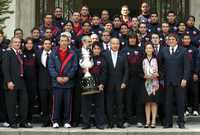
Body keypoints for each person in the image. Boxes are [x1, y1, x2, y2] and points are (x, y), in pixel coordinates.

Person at [160, 34, 190, 128]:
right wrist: (161, 78)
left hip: (180, 81)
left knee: (180, 103)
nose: (171, 41)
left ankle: (181, 122)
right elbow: (161, 65)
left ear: (177, 41)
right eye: (169, 39)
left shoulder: (183, 51)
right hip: (168, 81)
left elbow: (187, 67)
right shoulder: (163, 50)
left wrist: (185, 78)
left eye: (173, 39)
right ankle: (168, 123)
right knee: (168, 103)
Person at [48, 34, 78, 128]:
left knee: (68, 104)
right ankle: (55, 121)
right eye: (62, 40)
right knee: (56, 104)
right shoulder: (53, 53)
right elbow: (51, 66)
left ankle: (67, 121)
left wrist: (68, 77)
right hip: (57, 83)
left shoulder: (73, 53)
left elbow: (74, 67)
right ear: (59, 42)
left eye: (66, 40)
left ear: (69, 42)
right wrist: (57, 77)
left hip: (68, 83)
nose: (64, 42)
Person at [2, 37, 30, 128]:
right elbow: (5, 69)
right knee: (11, 104)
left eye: (19, 42)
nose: (18, 44)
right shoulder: (8, 53)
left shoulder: (20, 53)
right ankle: (12, 122)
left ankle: (23, 122)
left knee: (24, 102)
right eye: (15, 42)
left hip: (21, 81)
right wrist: (8, 81)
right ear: (11, 43)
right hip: (12, 82)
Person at [81, 42, 106, 129]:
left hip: (99, 85)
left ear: (100, 50)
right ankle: (86, 123)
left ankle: (99, 124)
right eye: (95, 48)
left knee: (99, 105)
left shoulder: (103, 59)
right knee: (86, 105)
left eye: (98, 48)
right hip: (88, 82)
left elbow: (104, 73)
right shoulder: (87, 58)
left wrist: (102, 83)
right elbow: (82, 70)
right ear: (92, 49)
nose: (96, 50)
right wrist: (83, 71)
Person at [104, 37, 128, 128]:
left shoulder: (123, 55)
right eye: (113, 43)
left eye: (117, 43)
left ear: (119, 45)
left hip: (120, 84)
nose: (115, 45)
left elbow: (126, 70)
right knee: (109, 104)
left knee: (120, 104)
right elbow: (104, 70)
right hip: (108, 84)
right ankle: (110, 123)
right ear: (110, 44)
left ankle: (120, 123)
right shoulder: (105, 55)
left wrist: (124, 82)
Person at [121, 34, 144, 127]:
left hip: (139, 79)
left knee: (139, 100)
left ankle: (139, 120)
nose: (132, 40)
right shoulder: (123, 50)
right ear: (128, 39)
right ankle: (128, 120)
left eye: (134, 38)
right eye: (130, 38)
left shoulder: (141, 50)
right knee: (128, 100)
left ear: (136, 39)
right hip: (128, 80)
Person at [36, 38, 52, 127]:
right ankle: (45, 121)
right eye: (46, 44)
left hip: (53, 83)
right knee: (44, 103)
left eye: (49, 44)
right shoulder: (38, 54)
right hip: (42, 83)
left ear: (51, 45)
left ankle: (53, 120)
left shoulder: (54, 54)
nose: (47, 45)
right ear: (43, 45)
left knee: (52, 104)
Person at [142, 42, 159, 128]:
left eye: (150, 48)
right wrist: (144, 76)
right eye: (147, 48)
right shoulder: (142, 59)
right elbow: (139, 71)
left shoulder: (157, 59)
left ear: (153, 49)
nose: (149, 50)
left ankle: (153, 121)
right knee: (147, 102)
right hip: (145, 84)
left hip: (155, 84)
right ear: (145, 50)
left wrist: (157, 74)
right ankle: (147, 121)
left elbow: (162, 70)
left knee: (154, 102)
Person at [23, 37, 38, 128]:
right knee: (24, 102)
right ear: (25, 44)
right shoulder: (21, 53)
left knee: (31, 102)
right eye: (27, 43)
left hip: (33, 82)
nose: (29, 45)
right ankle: (23, 120)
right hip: (23, 82)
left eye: (31, 43)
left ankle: (28, 120)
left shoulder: (36, 54)